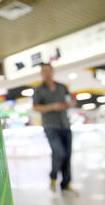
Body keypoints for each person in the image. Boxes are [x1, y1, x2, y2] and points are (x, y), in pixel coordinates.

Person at [33, 63, 77, 193]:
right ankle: (53, 176)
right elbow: (36, 107)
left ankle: (66, 184)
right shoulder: (39, 90)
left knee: (67, 155)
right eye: (44, 71)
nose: (47, 73)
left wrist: (70, 104)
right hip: (51, 127)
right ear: (41, 73)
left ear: (53, 72)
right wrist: (53, 107)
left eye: (49, 70)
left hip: (65, 125)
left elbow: (71, 101)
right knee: (59, 152)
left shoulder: (62, 87)